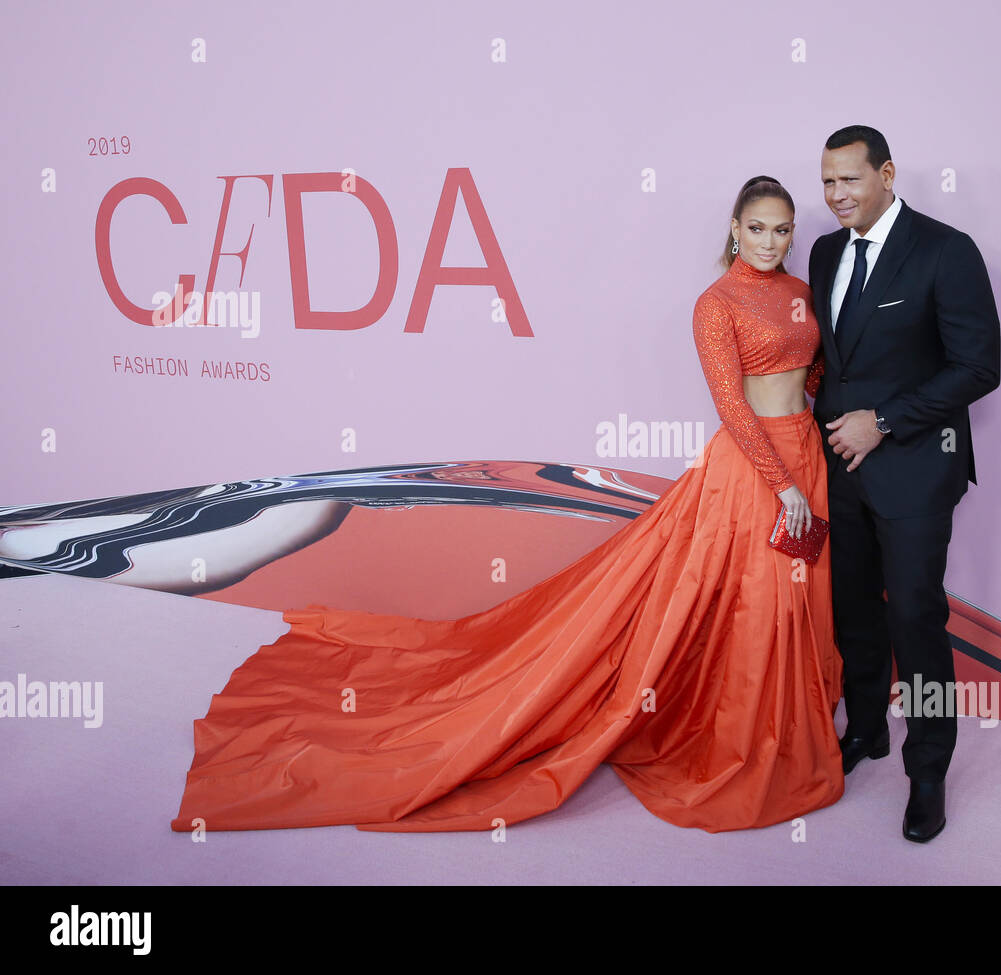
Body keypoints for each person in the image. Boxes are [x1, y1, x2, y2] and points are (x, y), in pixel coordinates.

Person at [169, 176, 845, 835]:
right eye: (756, 227)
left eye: (781, 229)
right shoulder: (715, 302)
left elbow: (813, 371)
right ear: (734, 228)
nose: (769, 240)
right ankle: (745, 746)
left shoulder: (799, 293)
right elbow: (730, 403)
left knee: (799, 599)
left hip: (806, 456)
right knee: (756, 603)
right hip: (755, 470)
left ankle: (791, 733)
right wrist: (781, 483)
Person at [808, 125, 1001, 842]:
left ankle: (927, 769)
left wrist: (881, 420)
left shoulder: (947, 250)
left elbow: (978, 367)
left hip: (917, 464)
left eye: (849, 180)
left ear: (887, 174)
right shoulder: (827, 251)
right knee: (852, 608)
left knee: (914, 617)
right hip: (840, 468)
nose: (836, 196)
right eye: (827, 182)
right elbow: (838, 358)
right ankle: (865, 731)